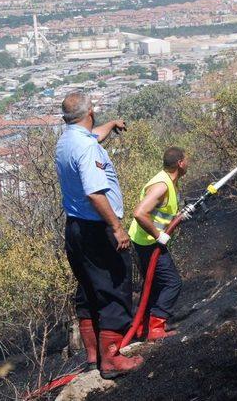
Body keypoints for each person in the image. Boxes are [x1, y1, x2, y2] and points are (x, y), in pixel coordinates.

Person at [55, 91, 143, 379]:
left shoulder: (67, 140)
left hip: (75, 229)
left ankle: (93, 355)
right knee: (114, 286)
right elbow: (95, 193)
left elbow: (94, 136)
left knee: (89, 290)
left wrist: (112, 124)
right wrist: (117, 228)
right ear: (89, 112)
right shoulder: (87, 149)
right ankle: (112, 360)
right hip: (98, 228)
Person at [128, 147, 189, 340]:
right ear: (180, 163)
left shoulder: (170, 182)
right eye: (187, 160)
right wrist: (158, 235)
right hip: (147, 242)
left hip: (146, 241)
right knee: (172, 283)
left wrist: (179, 217)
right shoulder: (162, 185)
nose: (188, 163)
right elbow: (139, 213)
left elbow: (161, 212)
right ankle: (155, 327)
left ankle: (141, 327)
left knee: (153, 284)